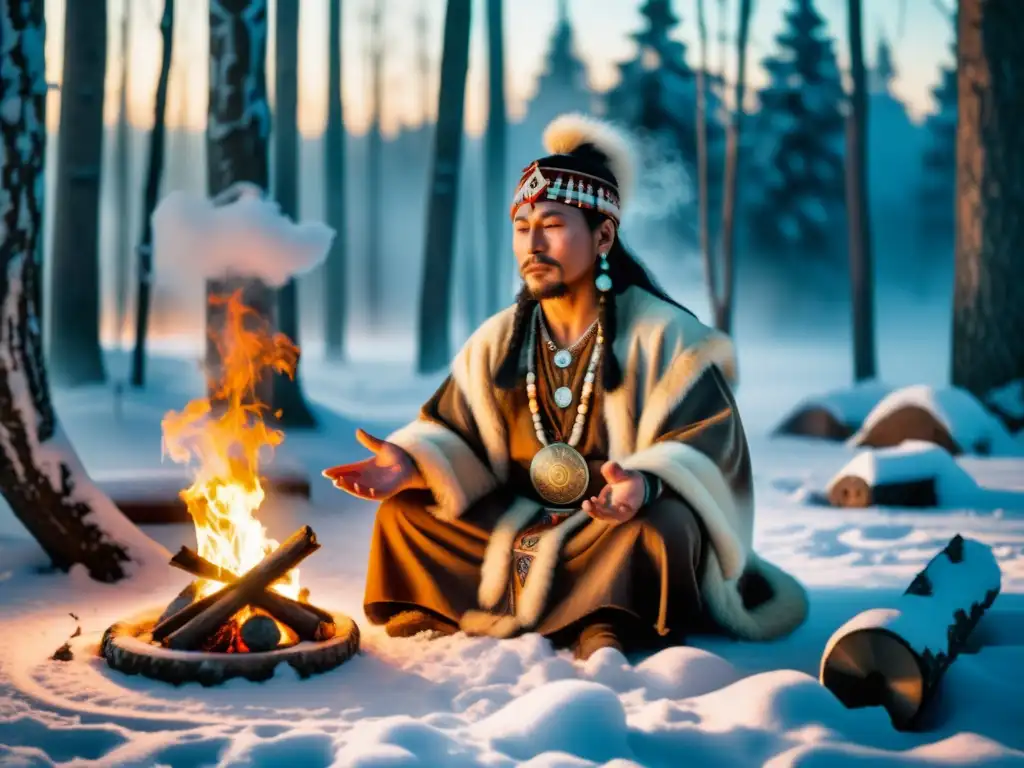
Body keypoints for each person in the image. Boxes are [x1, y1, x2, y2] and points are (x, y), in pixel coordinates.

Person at [324, 113, 808, 660]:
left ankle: (610, 614)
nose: (533, 243)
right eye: (522, 225)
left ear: (603, 234)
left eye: (552, 224)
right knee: (405, 514)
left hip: (613, 529)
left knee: (663, 530)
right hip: (516, 520)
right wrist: (412, 463)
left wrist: (645, 485)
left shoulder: (667, 338)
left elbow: (710, 451)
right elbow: (455, 430)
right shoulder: (499, 339)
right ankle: (452, 603)